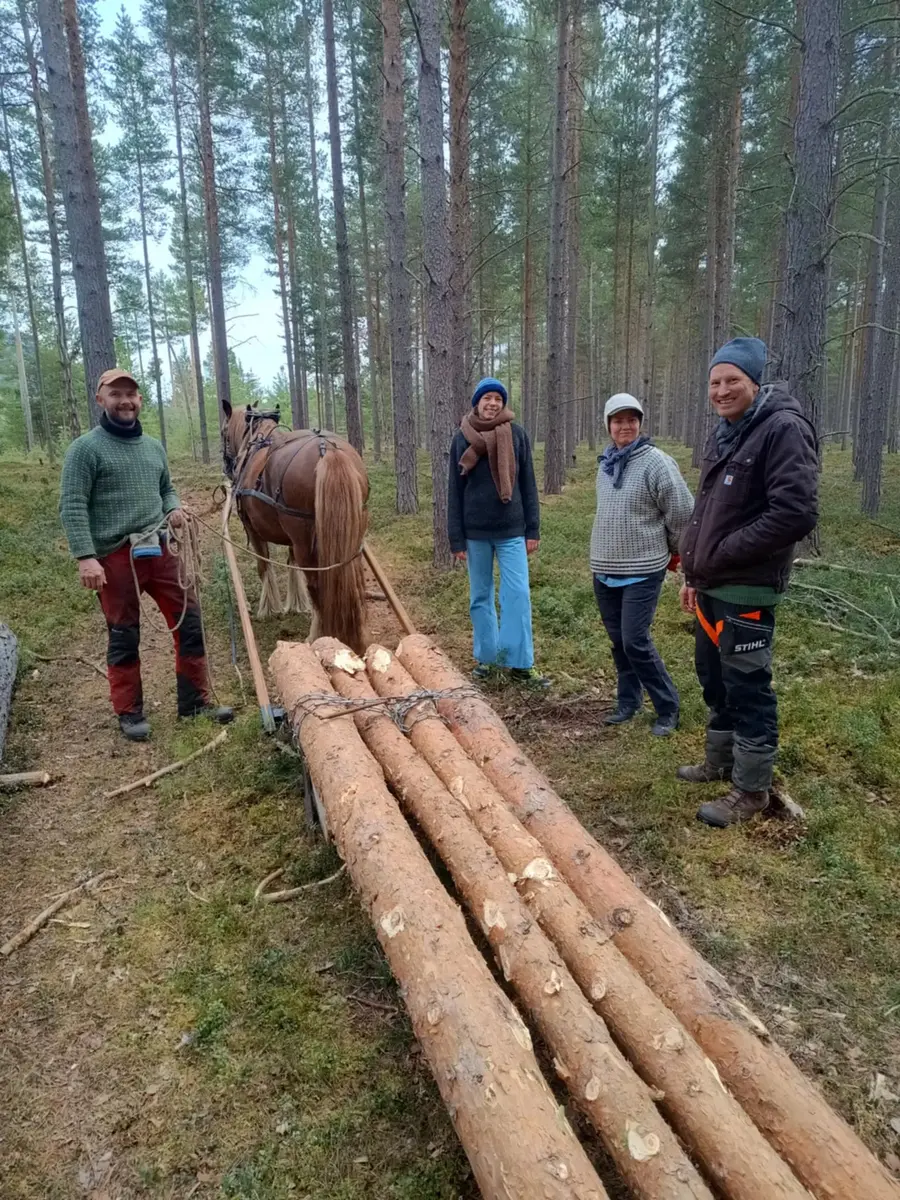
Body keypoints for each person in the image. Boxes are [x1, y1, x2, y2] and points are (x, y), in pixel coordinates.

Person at [679, 337, 818, 827]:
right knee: (712, 677)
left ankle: (752, 787)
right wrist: (696, 572)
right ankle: (720, 761)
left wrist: (722, 555)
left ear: (755, 382)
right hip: (713, 585)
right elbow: (708, 514)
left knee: (748, 684)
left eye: (732, 380)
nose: (721, 390)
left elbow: (795, 512)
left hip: (748, 589)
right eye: (715, 382)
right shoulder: (728, 432)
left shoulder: (782, 428)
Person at [59, 369, 233, 741]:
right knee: (124, 633)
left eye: (131, 394)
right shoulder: (84, 450)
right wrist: (85, 557)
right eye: (116, 394)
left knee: (190, 622)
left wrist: (172, 508)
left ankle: (194, 703)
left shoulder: (153, 447)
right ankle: (129, 712)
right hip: (114, 555)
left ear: (139, 400)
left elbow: (166, 489)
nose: (125, 401)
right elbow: (72, 505)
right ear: (100, 399)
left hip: (160, 547)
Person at [590, 393, 694, 737]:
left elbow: (682, 513)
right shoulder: (606, 464)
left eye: (632, 420)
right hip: (605, 568)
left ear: (640, 423)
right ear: (608, 425)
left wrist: (679, 555)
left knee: (635, 640)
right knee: (619, 641)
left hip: (642, 569)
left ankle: (668, 707)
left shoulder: (657, 463)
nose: (625, 426)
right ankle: (628, 702)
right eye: (618, 420)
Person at [447, 377, 547, 686]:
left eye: (498, 399)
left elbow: (528, 483)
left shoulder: (516, 435)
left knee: (517, 595)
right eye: (487, 398)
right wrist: (456, 538)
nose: (492, 403)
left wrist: (533, 528)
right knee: (480, 596)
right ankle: (487, 659)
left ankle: (520, 663)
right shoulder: (461, 438)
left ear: (503, 403)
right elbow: (454, 491)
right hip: (475, 533)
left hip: (512, 530)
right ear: (477, 401)